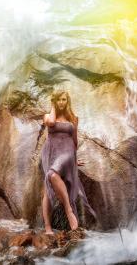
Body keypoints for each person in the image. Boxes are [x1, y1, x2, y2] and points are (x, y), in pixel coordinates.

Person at [40, 90, 97, 235]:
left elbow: (75, 141)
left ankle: (68, 210)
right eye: (58, 100)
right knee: (47, 189)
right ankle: (47, 228)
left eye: (64, 99)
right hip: (51, 153)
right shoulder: (47, 116)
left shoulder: (73, 118)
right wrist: (53, 106)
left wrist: (73, 160)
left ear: (68, 101)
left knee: (52, 175)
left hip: (67, 154)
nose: (61, 102)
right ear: (54, 101)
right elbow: (51, 123)